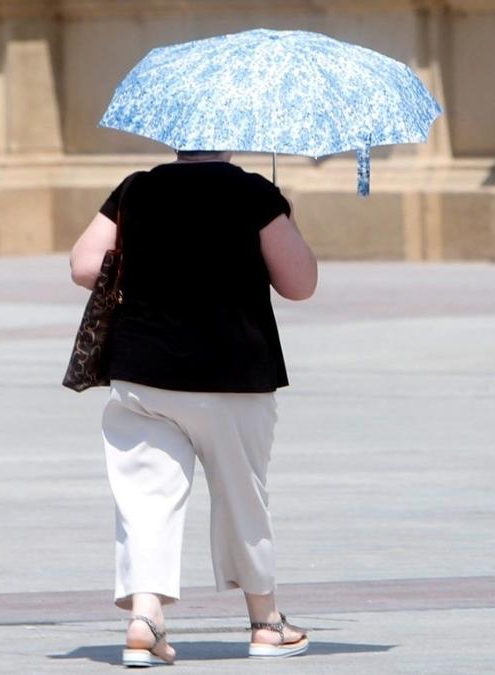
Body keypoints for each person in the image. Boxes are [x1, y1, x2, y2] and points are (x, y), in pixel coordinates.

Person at [69, 150, 318, 665]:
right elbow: (300, 284)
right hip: (233, 376)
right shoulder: (254, 193)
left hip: (143, 372)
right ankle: (266, 623)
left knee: (144, 497)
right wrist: (284, 216)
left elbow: (84, 265)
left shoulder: (136, 189)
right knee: (241, 496)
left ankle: (145, 617)